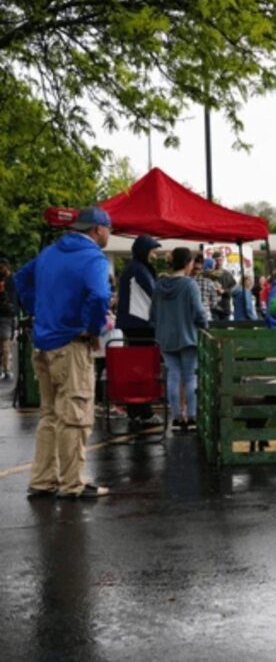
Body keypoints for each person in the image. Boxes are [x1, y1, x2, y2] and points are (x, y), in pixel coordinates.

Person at [15, 207, 113, 499]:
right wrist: (93, 328)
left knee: (49, 415)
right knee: (75, 415)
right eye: (109, 228)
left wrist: (38, 311)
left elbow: (21, 279)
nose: (110, 233)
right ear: (97, 229)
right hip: (71, 345)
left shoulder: (50, 252)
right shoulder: (93, 257)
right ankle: (73, 483)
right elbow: (99, 296)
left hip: (43, 343)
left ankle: (43, 480)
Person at [150, 247, 209, 430]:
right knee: (190, 378)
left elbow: (152, 314)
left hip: (165, 338)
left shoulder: (159, 285)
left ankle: (176, 417)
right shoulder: (190, 285)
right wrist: (204, 324)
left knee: (173, 377)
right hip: (188, 336)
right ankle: (191, 417)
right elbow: (199, 312)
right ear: (187, 263)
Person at [115, 234, 162, 426]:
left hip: (133, 325)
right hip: (141, 324)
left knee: (136, 371)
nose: (155, 255)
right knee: (143, 371)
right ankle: (144, 412)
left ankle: (135, 411)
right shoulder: (139, 270)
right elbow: (154, 294)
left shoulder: (133, 268)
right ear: (144, 251)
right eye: (152, 251)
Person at [0, 258, 17, 380]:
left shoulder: (12, 280)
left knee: (6, 343)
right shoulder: (10, 280)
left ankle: (6, 369)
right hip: (5, 315)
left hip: (8, 315)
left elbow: (17, 296)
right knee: (5, 343)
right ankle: (6, 369)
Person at [209, 251, 236, 321]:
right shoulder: (209, 274)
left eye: (220, 260)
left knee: (225, 330)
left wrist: (224, 291)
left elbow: (234, 288)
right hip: (213, 307)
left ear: (223, 260)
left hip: (225, 306)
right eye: (216, 260)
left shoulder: (228, 274)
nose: (218, 262)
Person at [192, 253, 219, 320]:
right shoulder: (209, 282)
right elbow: (214, 303)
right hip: (205, 316)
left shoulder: (186, 282)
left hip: (190, 317)